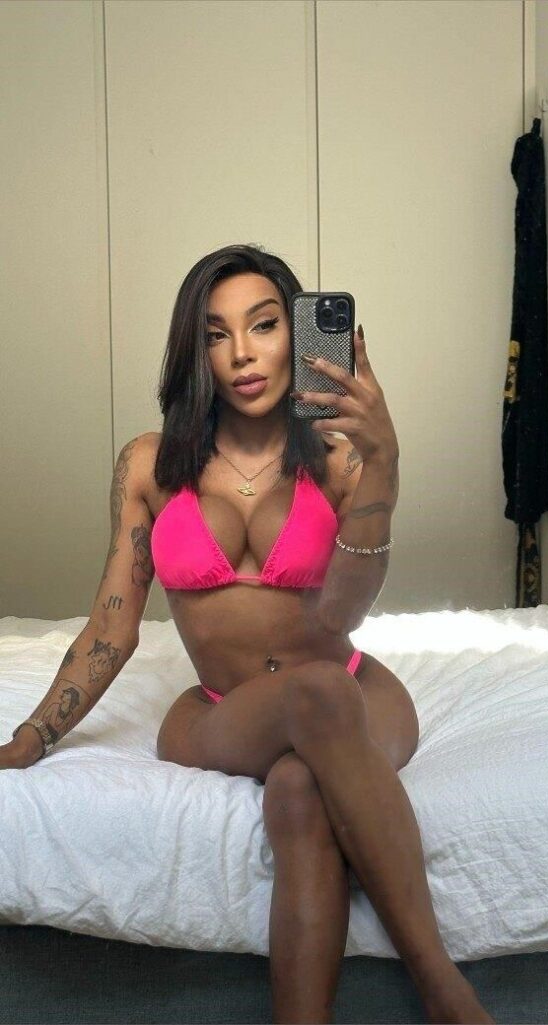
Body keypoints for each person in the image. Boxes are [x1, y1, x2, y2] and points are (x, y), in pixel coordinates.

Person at [1, 244, 495, 1025]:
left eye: (264, 325)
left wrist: (384, 461)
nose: (241, 353)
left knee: (299, 785)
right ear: (193, 350)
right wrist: (32, 736)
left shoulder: (341, 460)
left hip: (353, 692)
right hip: (222, 707)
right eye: (216, 333)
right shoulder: (149, 465)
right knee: (314, 692)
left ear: (298, 333)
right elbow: (112, 624)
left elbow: (344, 612)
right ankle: (446, 991)